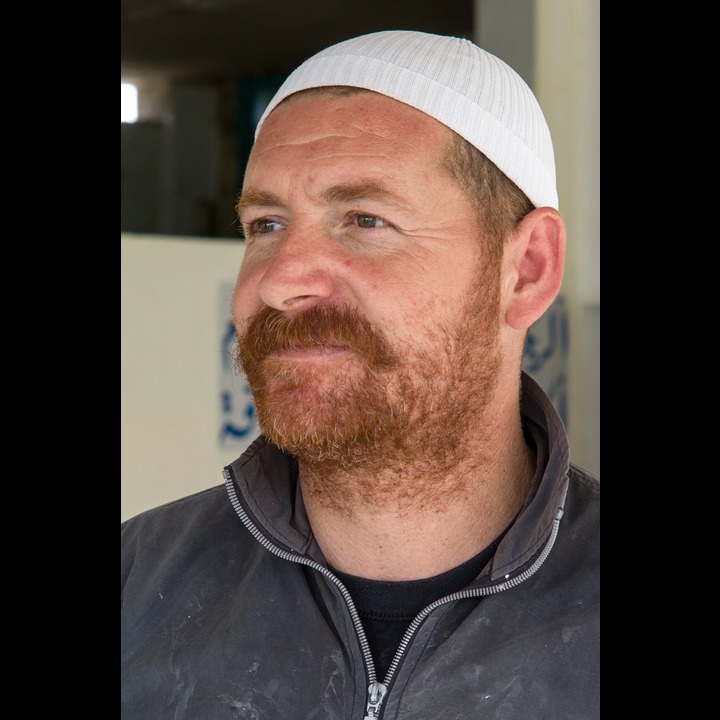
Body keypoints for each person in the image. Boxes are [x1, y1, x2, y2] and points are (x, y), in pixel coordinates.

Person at [121, 29, 599, 719]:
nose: (282, 281)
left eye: (365, 220)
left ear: (526, 270)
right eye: (265, 224)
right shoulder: (138, 587)